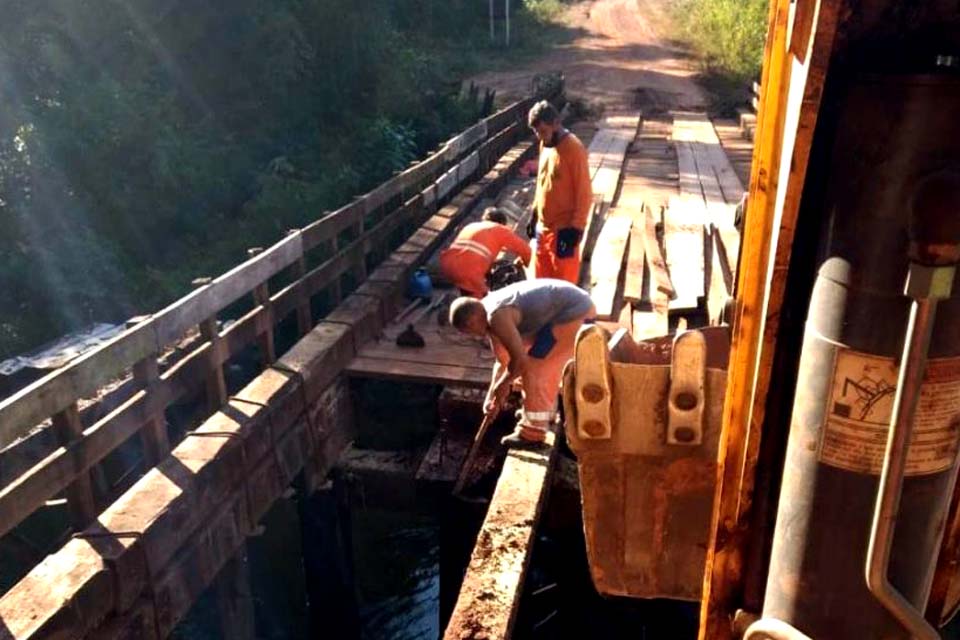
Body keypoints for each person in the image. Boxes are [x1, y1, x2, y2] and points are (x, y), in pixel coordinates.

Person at [449, 279, 596, 445]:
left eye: (469, 332)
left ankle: (533, 432)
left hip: (575, 313)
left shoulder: (497, 316)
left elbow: (520, 362)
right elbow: (503, 361)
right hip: (555, 317)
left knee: (535, 369)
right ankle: (542, 412)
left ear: (471, 322)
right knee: (529, 363)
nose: (474, 336)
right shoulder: (488, 317)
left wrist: (504, 384)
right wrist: (491, 397)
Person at [527, 100, 593, 284]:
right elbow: (542, 182)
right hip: (543, 228)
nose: (541, 137)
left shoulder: (574, 150)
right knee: (540, 284)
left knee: (563, 286)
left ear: (556, 123)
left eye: (543, 132)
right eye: (537, 133)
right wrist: (534, 213)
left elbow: (584, 193)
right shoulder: (546, 146)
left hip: (564, 230)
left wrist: (576, 228)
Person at [438, 207, 532, 298]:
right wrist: (526, 266)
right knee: (484, 303)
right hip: (468, 271)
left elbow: (472, 254)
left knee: (466, 285)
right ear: (502, 223)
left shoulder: (471, 226)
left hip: (446, 265)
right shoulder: (500, 229)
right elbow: (526, 251)